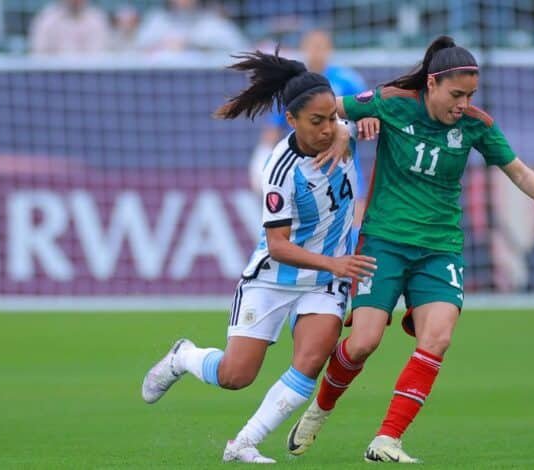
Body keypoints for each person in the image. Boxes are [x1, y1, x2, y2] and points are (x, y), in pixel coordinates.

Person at [287, 35, 534, 463]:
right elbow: (323, 110)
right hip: (384, 243)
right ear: (431, 84)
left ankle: (387, 439)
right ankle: (318, 412)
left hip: (440, 249)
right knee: (364, 342)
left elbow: (518, 171)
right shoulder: (391, 101)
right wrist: (344, 129)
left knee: (438, 338)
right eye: (456, 94)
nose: (463, 103)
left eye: (470, 95)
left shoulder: (475, 125)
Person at [140, 50, 377, 464]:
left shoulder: (345, 132)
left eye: (332, 119)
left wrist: (348, 127)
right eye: (316, 122)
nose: (327, 130)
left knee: (311, 359)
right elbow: (278, 245)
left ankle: (243, 443)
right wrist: (336, 264)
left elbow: (390, 100)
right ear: (292, 121)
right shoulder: (280, 172)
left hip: (324, 282)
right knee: (236, 376)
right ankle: (183, 356)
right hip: (275, 278)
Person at [250, 30, 371, 239]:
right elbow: (275, 125)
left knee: (355, 225)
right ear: (304, 49)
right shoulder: (295, 86)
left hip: (343, 162)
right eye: (312, 47)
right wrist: (260, 157)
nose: (317, 52)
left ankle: (349, 268)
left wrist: (345, 131)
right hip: (305, 168)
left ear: (330, 49)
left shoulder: (348, 80)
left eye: (322, 47)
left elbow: (366, 119)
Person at [135, 0, 247, 53]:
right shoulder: (157, 20)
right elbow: (138, 49)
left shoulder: (214, 21)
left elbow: (239, 49)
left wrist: (194, 45)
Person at [28, 0, 110, 55]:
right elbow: (38, 54)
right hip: (54, 77)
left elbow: (101, 55)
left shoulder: (98, 20)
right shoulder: (46, 20)